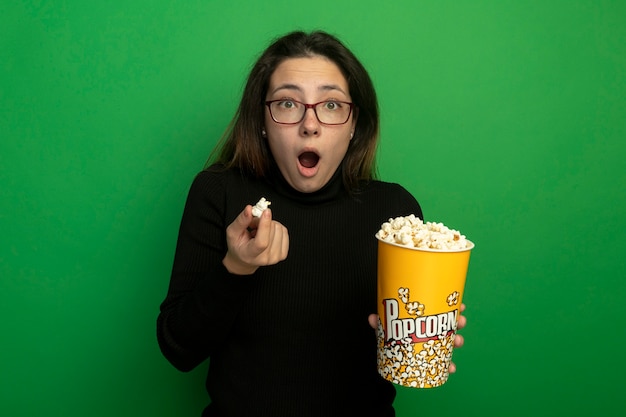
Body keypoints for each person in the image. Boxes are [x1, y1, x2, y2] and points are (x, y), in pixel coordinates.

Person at [157, 30, 466, 417]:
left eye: (332, 105)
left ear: (355, 125)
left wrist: (421, 333)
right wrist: (236, 267)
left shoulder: (395, 211)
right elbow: (178, 349)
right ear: (263, 122)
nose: (310, 124)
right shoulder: (219, 192)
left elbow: (403, 338)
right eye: (288, 103)